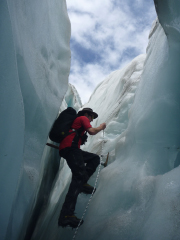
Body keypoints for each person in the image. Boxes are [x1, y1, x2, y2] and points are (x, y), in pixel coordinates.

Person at [58, 108, 106, 228]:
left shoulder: (78, 124)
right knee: (78, 177)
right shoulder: (83, 118)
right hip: (71, 149)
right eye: (92, 117)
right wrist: (101, 126)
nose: (92, 119)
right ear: (86, 114)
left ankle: (83, 182)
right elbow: (92, 131)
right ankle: (66, 215)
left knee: (94, 158)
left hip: (72, 149)